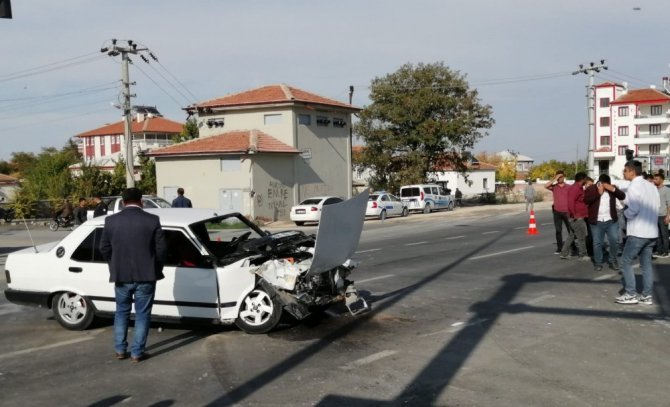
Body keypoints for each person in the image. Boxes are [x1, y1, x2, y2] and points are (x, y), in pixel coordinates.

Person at [100, 188, 166, 362]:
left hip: (120, 275)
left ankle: (120, 350)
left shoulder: (110, 221)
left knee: (121, 312)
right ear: (141, 201)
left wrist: (114, 265)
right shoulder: (152, 220)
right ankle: (137, 353)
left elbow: (104, 248)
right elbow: (161, 250)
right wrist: (156, 267)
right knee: (142, 314)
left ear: (123, 202)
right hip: (146, 275)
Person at [616, 161, 659, 305]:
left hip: (638, 232)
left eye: (625, 171)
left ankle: (630, 293)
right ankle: (646, 295)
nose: (624, 173)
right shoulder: (651, 186)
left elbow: (633, 209)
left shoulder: (635, 185)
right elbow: (656, 206)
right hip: (652, 232)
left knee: (625, 262)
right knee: (646, 265)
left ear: (632, 172)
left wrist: (625, 213)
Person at [584, 174, 625, 271]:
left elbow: (622, 196)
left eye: (607, 184)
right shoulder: (591, 189)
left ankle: (613, 260)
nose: (605, 186)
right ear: (599, 183)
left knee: (614, 240)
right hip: (597, 221)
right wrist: (598, 193)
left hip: (611, 220)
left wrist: (613, 189)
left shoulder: (612, 188)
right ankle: (598, 263)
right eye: (603, 184)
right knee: (597, 243)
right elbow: (586, 200)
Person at [560, 172, 590, 261]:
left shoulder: (579, 188)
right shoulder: (575, 188)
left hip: (578, 216)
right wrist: (574, 214)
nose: (586, 181)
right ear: (583, 179)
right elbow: (570, 202)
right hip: (576, 217)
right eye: (586, 179)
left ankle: (564, 253)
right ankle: (582, 255)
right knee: (581, 236)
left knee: (572, 236)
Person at [545, 170, 572, 254]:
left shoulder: (569, 187)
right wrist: (555, 178)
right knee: (558, 231)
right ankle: (559, 248)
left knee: (570, 230)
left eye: (562, 177)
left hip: (567, 212)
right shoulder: (554, 187)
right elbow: (545, 186)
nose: (560, 178)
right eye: (559, 177)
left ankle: (573, 246)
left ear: (564, 177)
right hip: (557, 212)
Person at [652, 173, 670, 258]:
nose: (654, 180)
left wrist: (668, 216)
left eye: (656, 179)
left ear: (662, 180)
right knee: (657, 235)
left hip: (663, 215)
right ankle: (659, 251)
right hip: (655, 215)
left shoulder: (666, 190)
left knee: (664, 235)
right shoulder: (654, 189)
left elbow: (669, 204)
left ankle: (665, 251)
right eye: (654, 179)